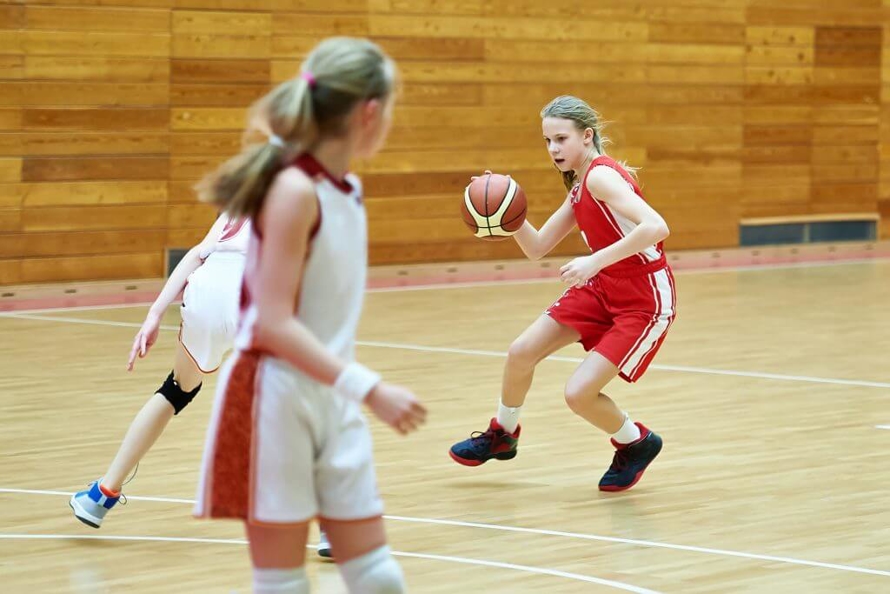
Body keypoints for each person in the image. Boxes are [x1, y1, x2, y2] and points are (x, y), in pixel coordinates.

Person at [193, 37, 426, 594]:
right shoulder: (294, 190)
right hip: (273, 395)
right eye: (391, 109)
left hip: (330, 389)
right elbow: (272, 323)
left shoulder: (348, 190)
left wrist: (351, 388)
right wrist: (369, 388)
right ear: (370, 113)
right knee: (283, 584)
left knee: (377, 578)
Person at [449, 95, 676, 492]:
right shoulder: (579, 186)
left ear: (586, 136)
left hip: (643, 299)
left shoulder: (602, 177)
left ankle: (636, 442)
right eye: (547, 141)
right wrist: (503, 208)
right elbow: (536, 246)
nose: (553, 149)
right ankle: (503, 432)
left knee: (578, 394)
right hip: (604, 287)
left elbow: (656, 227)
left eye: (561, 139)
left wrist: (594, 262)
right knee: (521, 351)